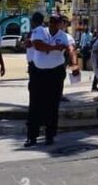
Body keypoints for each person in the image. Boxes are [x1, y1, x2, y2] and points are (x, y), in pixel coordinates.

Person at [27, 13, 75, 146]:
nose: (53, 24)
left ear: (60, 24)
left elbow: (71, 49)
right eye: (51, 21)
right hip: (38, 72)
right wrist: (54, 48)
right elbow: (37, 45)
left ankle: (50, 135)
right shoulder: (39, 31)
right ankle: (32, 136)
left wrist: (74, 63)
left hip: (56, 73)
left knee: (53, 105)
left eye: (56, 22)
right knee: (35, 104)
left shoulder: (65, 36)